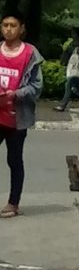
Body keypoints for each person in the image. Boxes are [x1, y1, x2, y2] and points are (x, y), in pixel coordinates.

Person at [0, 11, 43, 218]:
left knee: (14, 160)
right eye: (5, 25)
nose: (8, 29)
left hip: (18, 117)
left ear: (22, 28)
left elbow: (37, 86)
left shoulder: (30, 54)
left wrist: (16, 93)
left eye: (13, 25)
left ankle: (13, 203)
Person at [56, 27, 79, 111]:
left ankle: (63, 105)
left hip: (74, 69)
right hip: (73, 69)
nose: (72, 35)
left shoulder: (78, 44)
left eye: (74, 33)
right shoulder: (74, 43)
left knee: (68, 86)